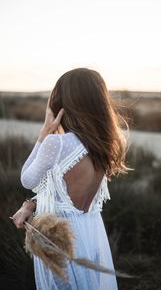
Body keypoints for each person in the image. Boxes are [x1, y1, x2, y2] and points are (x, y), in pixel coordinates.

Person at [12, 68, 129, 290]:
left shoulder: (58, 144)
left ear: (64, 103)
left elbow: (26, 180)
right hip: (90, 233)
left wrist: (44, 133)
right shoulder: (105, 144)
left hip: (61, 237)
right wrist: (31, 204)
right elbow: (68, 197)